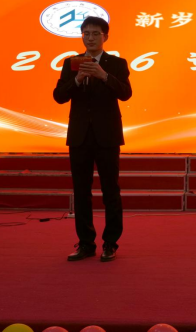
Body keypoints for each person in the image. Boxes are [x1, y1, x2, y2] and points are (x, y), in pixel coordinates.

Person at [53, 16, 133, 263]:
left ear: (105, 36)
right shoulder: (71, 63)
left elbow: (126, 93)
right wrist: (76, 80)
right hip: (79, 136)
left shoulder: (116, 63)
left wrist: (103, 75)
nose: (90, 38)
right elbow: (59, 96)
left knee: (111, 191)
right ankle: (86, 243)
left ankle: (110, 243)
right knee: (81, 192)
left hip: (107, 135)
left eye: (95, 33)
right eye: (86, 33)